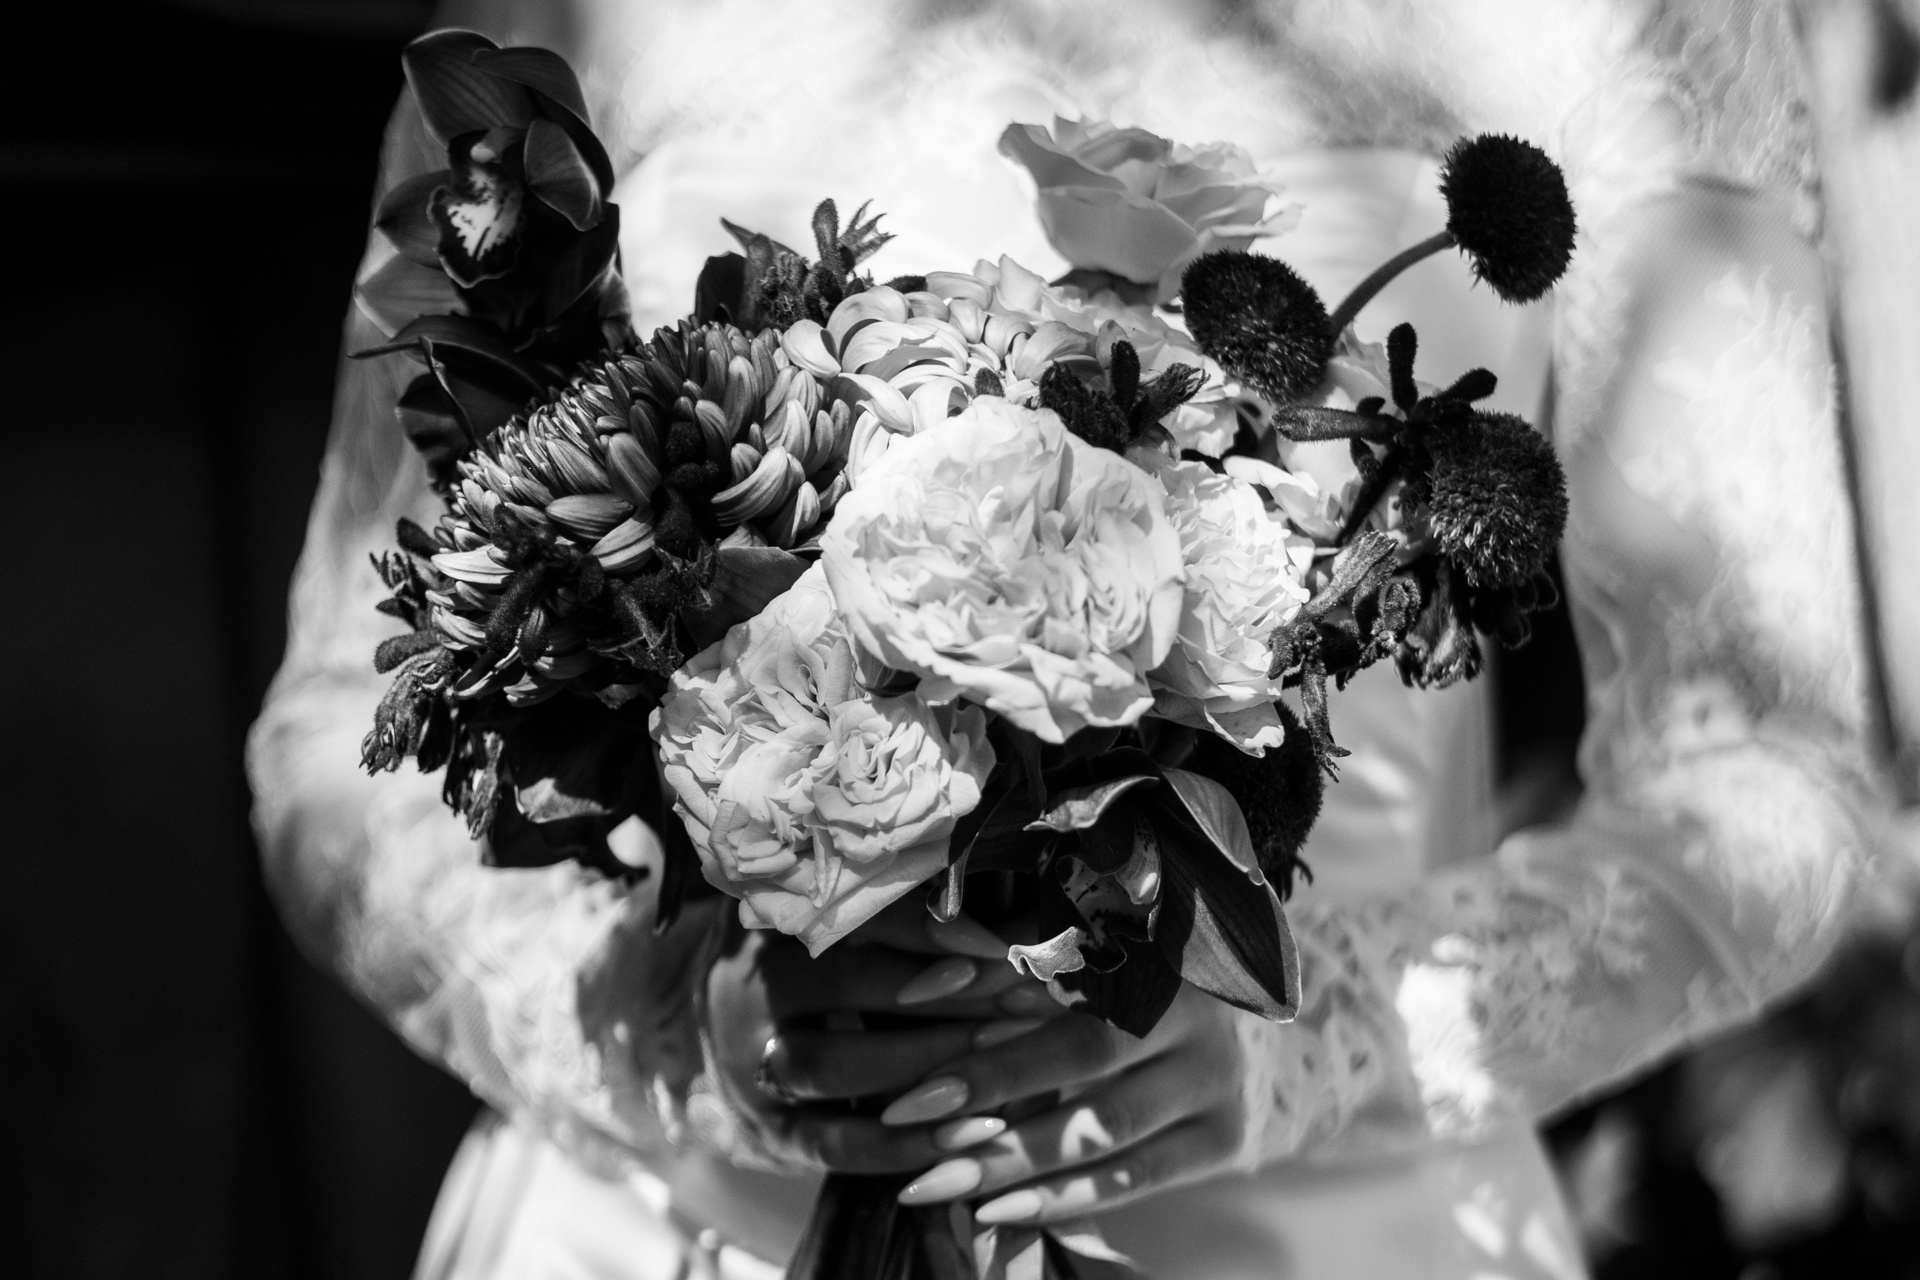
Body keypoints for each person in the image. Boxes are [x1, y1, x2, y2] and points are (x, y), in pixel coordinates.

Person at [247, 1, 1899, 1276]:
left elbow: (1781, 786)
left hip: (1326, 1225)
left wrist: (1308, 1037)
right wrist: (687, 1035)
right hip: (673, 1225)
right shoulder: (572, 23)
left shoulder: (1630, 24)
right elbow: (341, 737)